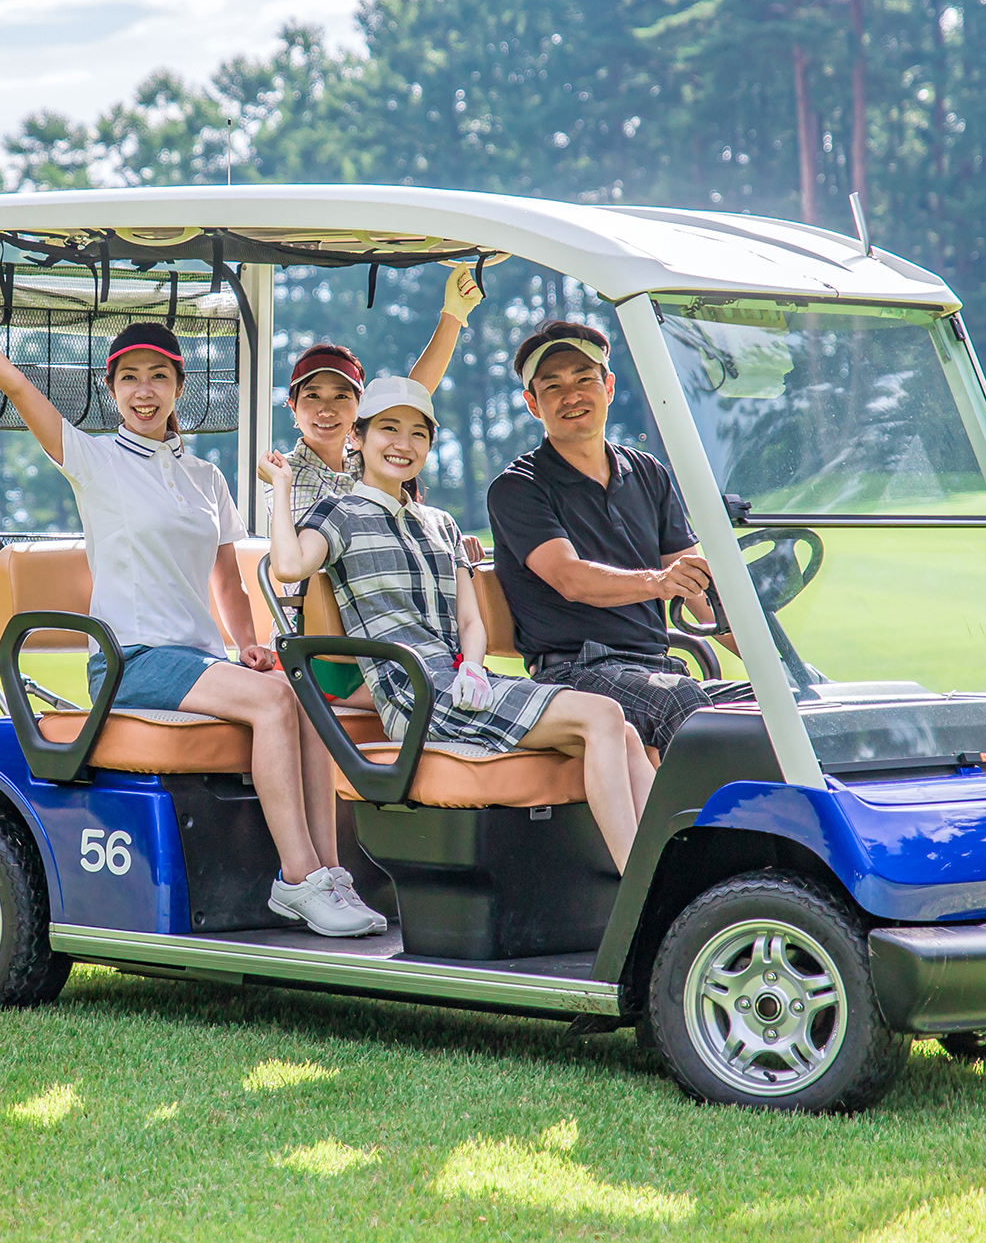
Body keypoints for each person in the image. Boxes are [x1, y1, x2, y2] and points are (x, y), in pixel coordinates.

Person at [0, 273, 386, 938]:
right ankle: (297, 878)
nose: (143, 391)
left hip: (194, 661)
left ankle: (333, 873)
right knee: (273, 703)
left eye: (158, 376)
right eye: (129, 377)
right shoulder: (94, 460)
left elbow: (228, 584)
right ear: (111, 389)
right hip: (127, 662)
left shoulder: (206, 477)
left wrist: (247, 644)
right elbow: (18, 388)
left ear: (179, 388)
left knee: (299, 695)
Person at [262, 376, 658, 874]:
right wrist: (280, 486)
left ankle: (655, 878)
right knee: (602, 716)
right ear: (357, 438)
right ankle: (641, 887)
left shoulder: (442, 525)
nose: (403, 445)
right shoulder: (339, 515)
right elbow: (290, 567)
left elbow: (469, 618)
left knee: (622, 732)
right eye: (388, 429)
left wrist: (473, 666)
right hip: (416, 696)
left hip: (464, 685)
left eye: (418, 434)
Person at [485, 320, 753, 760]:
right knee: (685, 707)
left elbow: (701, 594)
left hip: (658, 668)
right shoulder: (519, 487)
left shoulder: (647, 473)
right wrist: (658, 583)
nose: (571, 396)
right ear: (533, 404)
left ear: (607, 387)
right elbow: (570, 578)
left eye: (584, 379)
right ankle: (708, 831)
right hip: (576, 673)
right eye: (553, 387)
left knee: (775, 707)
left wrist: (784, 670)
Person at [278, 264, 484, 523]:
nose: (327, 409)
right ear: (292, 406)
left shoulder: (365, 456)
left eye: (341, 396)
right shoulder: (283, 472)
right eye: (313, 396)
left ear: (361, 407)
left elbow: (412, 396)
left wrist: (452, 317)